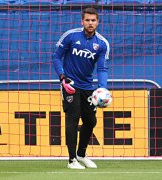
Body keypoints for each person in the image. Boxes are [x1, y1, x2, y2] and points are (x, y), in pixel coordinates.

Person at [52, 7, 110, 169]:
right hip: (70, 84)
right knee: (73, 117)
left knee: (90, 121)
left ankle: (81, 155)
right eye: (87, 20)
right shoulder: (71, 36)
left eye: (93, 20)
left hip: (88, 87)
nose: (90, 23)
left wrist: (102, 88)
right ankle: (72, 160)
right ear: (82, 21)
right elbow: (56, 57)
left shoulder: (102, 43)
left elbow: (102, 68)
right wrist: (62, 76)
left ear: (97, 22)